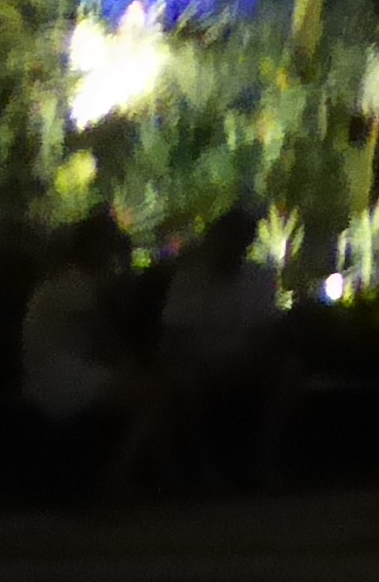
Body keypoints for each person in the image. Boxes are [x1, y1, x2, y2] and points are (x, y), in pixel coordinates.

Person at [17, 217, 156, 498]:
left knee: (160, 389)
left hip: (73, 369)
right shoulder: (72, 284)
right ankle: (118, 476)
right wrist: (133, 369)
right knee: (153, 395)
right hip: (58, 375)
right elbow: (103, 341)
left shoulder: (77, 281)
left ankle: (148, 474)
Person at [159, 209, 293, 489]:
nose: (234, 248)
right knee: (185, 380)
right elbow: (174, 336)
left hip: (244, 360)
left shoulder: (259, 278)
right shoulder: (189, 280)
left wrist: (247, 359)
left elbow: (266, 332)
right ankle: (204, 470)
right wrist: (199, 362)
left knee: (285, 374)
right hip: (199, 361)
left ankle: (260, 464)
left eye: (241, 241)